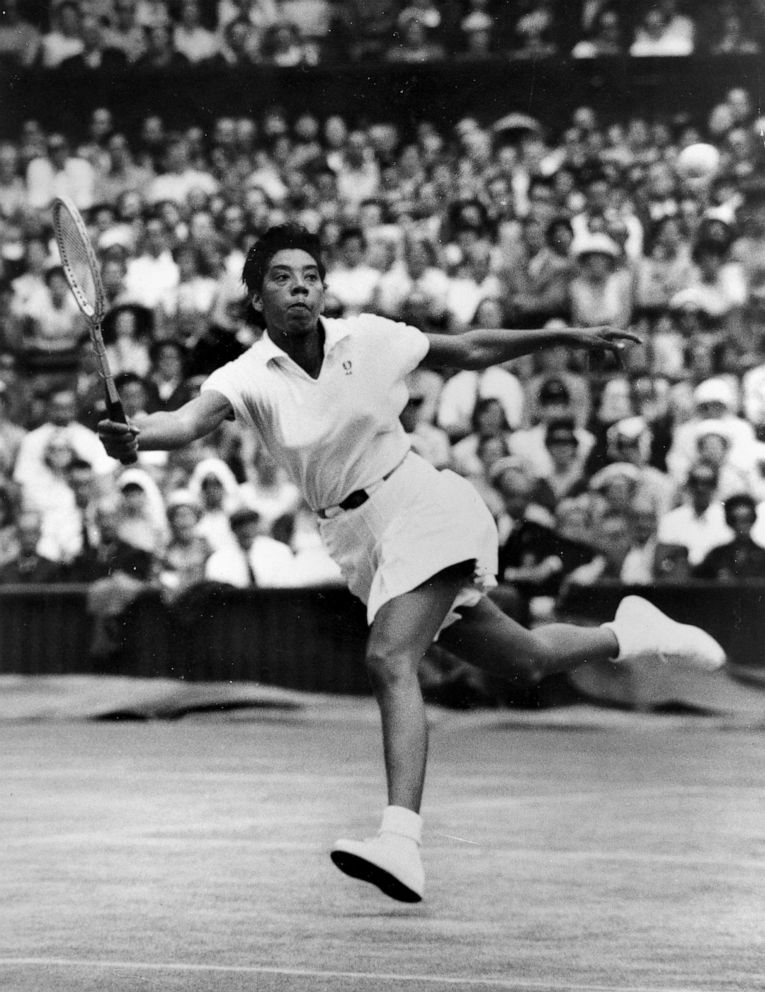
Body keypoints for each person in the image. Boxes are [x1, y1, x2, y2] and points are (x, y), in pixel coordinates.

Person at [97, 223, 725, 904]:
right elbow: (184, 422)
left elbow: (471, 348)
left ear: (323, 288)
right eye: (280, 276)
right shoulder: (244, 377)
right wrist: (133, 439)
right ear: (255, 297)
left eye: (309, 274)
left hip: (421, 504)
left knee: (388, 658)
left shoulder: (365, 337)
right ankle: (631, 632)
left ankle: (399, 841)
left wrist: (563, 337)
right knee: (524, 661)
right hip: (358, 541)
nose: (299, 286)